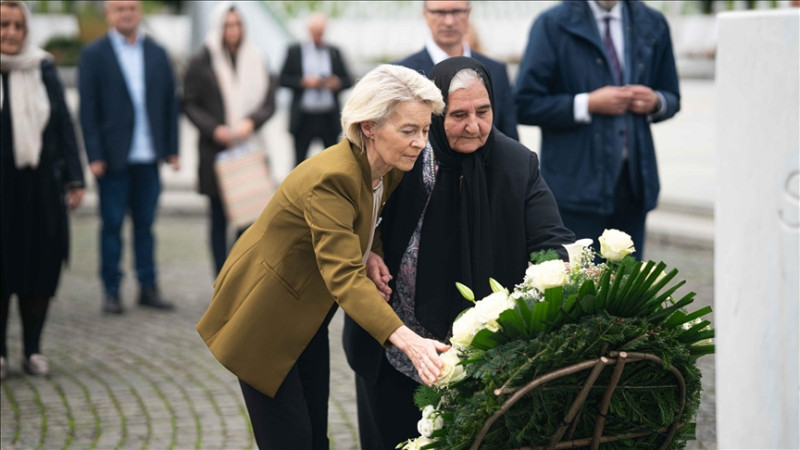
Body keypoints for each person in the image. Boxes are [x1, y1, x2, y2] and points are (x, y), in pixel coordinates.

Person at [196, 64, 449, 450]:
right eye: (408, 130)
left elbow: (368, 216)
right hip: (263, 317)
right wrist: (410, 342)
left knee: (315, 437)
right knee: (292, 441)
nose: (420, 142)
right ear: (369, 126)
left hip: (307, 314)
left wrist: (372, 252)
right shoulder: (333, 178)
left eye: (425, 129)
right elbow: (345, 278)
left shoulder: (389, 164)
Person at [343, 57, 576, 450]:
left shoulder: (518, 164)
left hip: (483, 362)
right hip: (393, 349)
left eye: (483, 112)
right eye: (459, 115)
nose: (474, 125)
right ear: (435, 115)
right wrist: (368, 250)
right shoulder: (407, 155)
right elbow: (357, 215)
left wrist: (556, 272)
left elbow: (552, 240)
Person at [514, 0, 680, 259]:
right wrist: (587, 104)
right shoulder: (551, 24)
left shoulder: (653, 23)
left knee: (628, 291)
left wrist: (656, 101)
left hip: (633, 185)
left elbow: (672, 96)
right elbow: (523, 103)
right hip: (575, 188)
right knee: (580, 290)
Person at [0, 0, 86, 379]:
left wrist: (75, 178)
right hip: (2, 192)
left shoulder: (43, 66)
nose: (12, 33)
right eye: (4, 25)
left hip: (41, 191)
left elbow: (65, 124)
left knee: (40, 267)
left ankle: (33, 349)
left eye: (18, 26)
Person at [79, 0, 180, 314]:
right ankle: (111, 290)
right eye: (120, 8)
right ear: (109, 13)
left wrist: (172, 149)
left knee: (145, 227)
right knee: (111, 226)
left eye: (132, 8)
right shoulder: (95, 54)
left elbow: (169, 104)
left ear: (140, 13)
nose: (126, 13)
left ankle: (147, 287)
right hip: (112, 158)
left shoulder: (157, 52)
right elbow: (88, 109)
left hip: (148, 157)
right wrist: (94, 154)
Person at [183, 1, 277, 275]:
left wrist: (251, 121)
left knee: (249, 220)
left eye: (237, 25)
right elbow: (189, 103)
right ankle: (220, 278)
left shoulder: (257, 57)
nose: (233, 30)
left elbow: (270, 100)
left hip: (250, 148)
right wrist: (215, 129)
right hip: (217, 152)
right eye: (227, 25)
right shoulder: (202, 60)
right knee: (218, 219)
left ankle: (240, 277)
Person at [395, 0, 519, 141]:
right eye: (439, 12)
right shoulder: (402, 74)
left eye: (456, 12)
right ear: (425, 15)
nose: (449, 21)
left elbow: (510, 139)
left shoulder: (496, 71)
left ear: (468, 13)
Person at [279, 12, 353, 166]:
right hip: (304, 117)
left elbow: (349, 79)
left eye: (321, 33)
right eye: (315, 32)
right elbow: (282, 79)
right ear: (308, 31)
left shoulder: (334, 51)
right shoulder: (295, 51)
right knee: (299, 162)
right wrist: (303, 82)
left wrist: (336, 83)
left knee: (333, 161)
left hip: (328, 117)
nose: (318, 36)